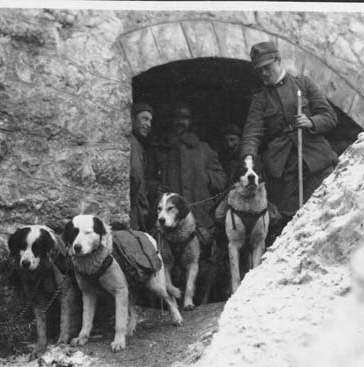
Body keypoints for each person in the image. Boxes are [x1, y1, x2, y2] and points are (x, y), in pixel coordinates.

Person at [241, 41, 338, 228]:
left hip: (316, 160)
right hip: (284, 167)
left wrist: (311, 122)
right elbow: (252, 132)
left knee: (326, 210)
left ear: (278, 61)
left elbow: (330, 117)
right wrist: (248, 158)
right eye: (259, 71)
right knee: (290, 221)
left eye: (267, 68)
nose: (264, 74)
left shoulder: (304, 84)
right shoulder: (260, 99)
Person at [146, 103, 227, 233]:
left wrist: (206, 177)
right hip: (169, 219)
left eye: (185, 118)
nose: (180, 122)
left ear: (191, 122)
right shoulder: (159, 150)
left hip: (201, 217)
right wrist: (155, 187)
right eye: (176, 118)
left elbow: (222, 180)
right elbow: (145, 179)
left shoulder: (204, 149)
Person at [128, 102, 152, 231]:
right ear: (132, 119)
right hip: (134, 213)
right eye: (144, 119)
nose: (148, 125)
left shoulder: (137, 145)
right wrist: (143, 211)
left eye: (150, 121)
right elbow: (137, 179)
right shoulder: (133, 144)